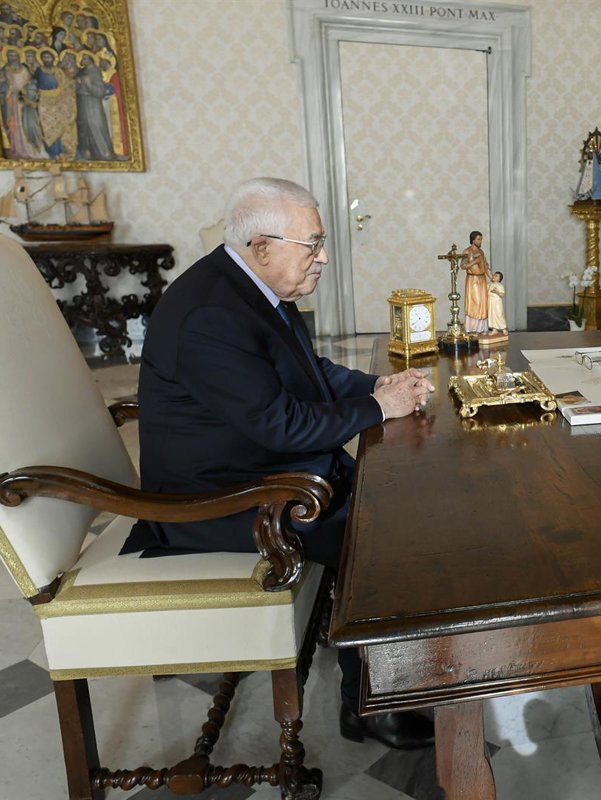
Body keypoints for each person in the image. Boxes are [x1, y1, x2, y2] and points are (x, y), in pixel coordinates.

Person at [123, 177, 438, 751]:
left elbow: (307, 372)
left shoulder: (247, 285)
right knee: (382, 535)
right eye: (312, 244)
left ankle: (369, 669)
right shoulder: (210, 314)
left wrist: (378, 387)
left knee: (391, 500)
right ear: (262, 246)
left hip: (258, 470)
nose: (323, 258)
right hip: (214, 501)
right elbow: (280, 424)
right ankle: (368, 703)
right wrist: (377, 408)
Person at [462, 229, 490, 333]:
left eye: (481, 239)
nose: (480, 241)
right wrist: (474, 261)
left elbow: (486, 266)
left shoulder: (481, 251)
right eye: (478, 239)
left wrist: (491, 277)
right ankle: (472, 328)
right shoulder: (467, 251)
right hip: (473, 279)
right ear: (473, 240)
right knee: (476, 302)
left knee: (483, 303)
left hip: (482, 279)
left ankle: (482, 328)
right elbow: (463, 266)